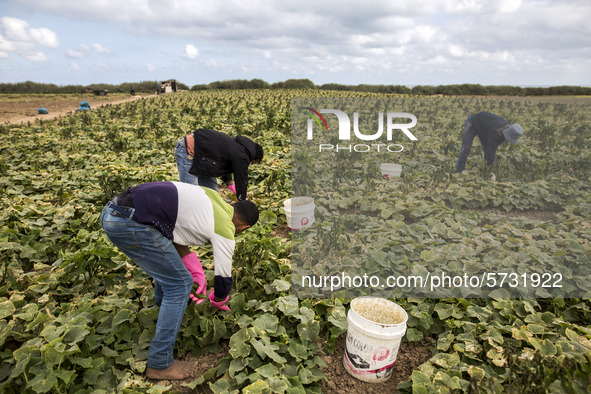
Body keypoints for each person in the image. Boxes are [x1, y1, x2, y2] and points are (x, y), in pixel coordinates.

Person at [100, 181, 259, 380]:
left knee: (173, 275)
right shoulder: (226, 228)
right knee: (180, 284)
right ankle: (159, 363)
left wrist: (196, 270)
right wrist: (218, 301)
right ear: (244, 226)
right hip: (131, 222)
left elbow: (172, 230)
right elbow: (223, 278)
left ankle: (161, 312)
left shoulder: (211, 195)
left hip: (114, 210)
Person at [175, 129, 263, 201]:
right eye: (252, 163)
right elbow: (241, 179)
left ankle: (209, 217)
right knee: (190, 194)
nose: (250, 164)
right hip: (188, 151)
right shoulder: (243, 155)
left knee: (213, 194)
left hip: (203, 158)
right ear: (254, 158)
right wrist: (242, 199)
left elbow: (223, 162)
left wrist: (229, 183)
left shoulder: (238, 148)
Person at [455, 111, 523, 173]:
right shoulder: (496, 132)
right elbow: (490, 149)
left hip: (485, 130)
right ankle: (458, 172)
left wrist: (488, 171)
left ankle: (485, 172)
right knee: (465, 148)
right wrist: (489, 169)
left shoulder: (508, 129)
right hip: (473, 123)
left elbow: (492, 150)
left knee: (488, 153)